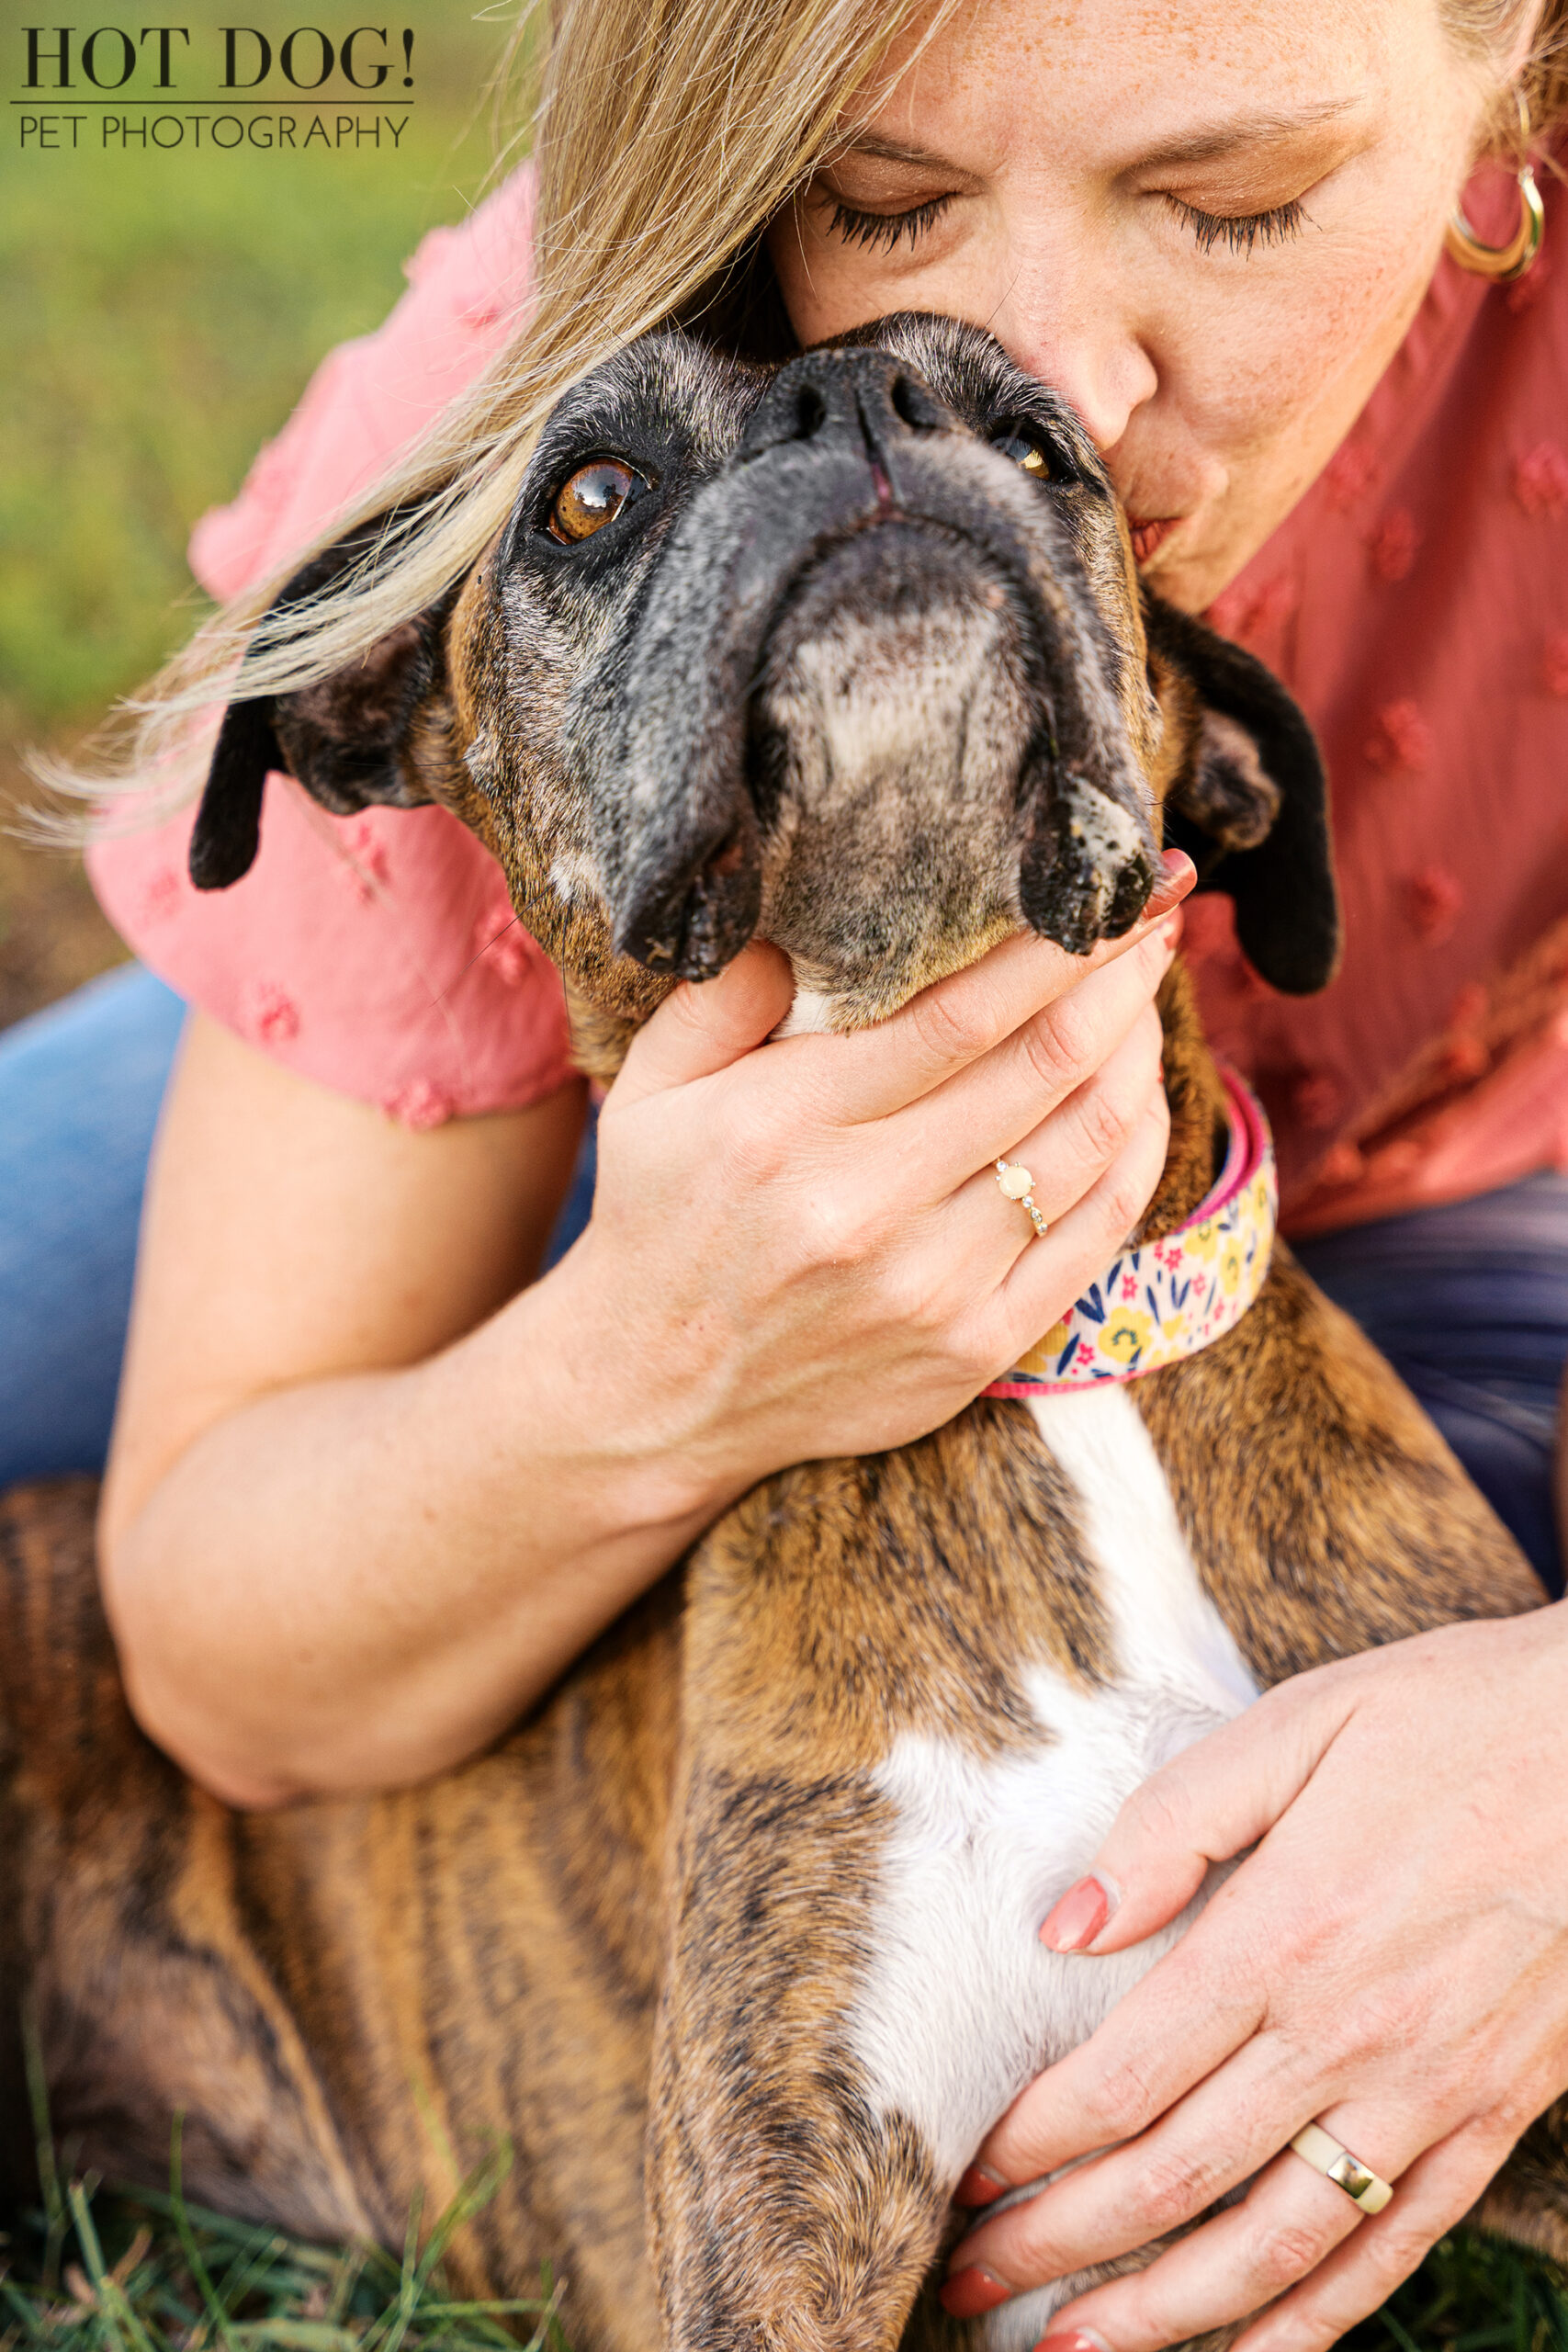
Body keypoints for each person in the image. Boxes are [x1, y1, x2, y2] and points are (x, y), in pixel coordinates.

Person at [2, 0, 1566, 2342]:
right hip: (592, 1120)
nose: (1004, 351)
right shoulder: (508, 399)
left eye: (1229, 197)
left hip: (1438, 1177)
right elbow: (228, 1647)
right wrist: (645, 1358)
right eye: (880, 202)